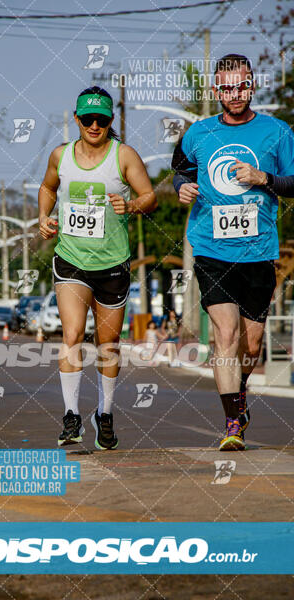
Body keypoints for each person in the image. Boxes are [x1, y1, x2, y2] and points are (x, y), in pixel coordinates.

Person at [172, 54, 294, 450]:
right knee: (225, 334)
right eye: (226, 88)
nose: (235, 94)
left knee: (251, 345)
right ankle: (231, 424)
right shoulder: (199, 133)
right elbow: (181, 170)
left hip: (259, 251)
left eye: (241, 86)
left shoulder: (277, 132)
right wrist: (180, 188)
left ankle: (239, 397)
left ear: (252, 86)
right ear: (216, 91)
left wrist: (265, 178)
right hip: (211, 249)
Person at [39, 86, 157, 450]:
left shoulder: (124, 156)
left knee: (108, 344)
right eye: (87, 119)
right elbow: (48, 186)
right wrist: (43, 216)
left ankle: (104, 415)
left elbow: (149, 197)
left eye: (101, 120)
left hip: (112, 263)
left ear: (110, 122)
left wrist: (132, 206)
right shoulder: (61, 155)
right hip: (72, 259)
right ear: (76, 119)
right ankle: (71, 416)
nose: (94, 125)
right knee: (72, 334)